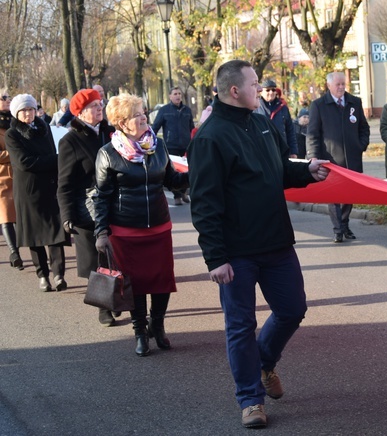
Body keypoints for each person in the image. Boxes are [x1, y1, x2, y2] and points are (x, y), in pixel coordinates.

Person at [188, 59, 330, 429]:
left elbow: (280, 169)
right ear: (235, 91)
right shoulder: (209, 137)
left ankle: (264, 361)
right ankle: (250, 399)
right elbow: (205, 204)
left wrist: (307, 171)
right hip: (236, 253)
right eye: (254, 83)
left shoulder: (262, 122)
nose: (261, 88)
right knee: (240, 325)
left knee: (293, 309)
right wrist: (215, 258)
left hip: (277, 243)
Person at [93, 94, 189, 356]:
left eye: (143, 112)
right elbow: (101, 197)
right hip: (126, 231)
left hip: (159, 227)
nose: (144, 118)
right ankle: (140, 331)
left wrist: (197, 174)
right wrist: (101, 232)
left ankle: (157, 326)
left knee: (161, 281)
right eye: (137, 115)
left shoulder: (158, 146)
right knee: (135, 284)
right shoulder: (108, 154)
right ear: (122, 123)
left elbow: (172, 181)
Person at [57, 89, 116, 326]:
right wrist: (67, 216)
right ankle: (103, 308)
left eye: (100, 104)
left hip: (114, 203)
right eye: (93, 106)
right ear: (80, 112)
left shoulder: (110, 132)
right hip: (87, 209)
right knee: (96, 261)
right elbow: (65, 183)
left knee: (117, 257)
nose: (99, 108)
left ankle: (119, 298)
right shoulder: (70, 140)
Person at [6, 94, 68, 291]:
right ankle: (43, 275)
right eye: (24, 110)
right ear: (17, 113)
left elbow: (51, 151)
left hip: (50, 186)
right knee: (35, 235)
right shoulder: (12, 134)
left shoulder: (44, 128)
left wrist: (54, 161)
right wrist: (55, 160)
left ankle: (59, 274)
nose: (28, 113)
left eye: (31, 109)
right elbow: (24, 162)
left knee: (56, 232)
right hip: (28, 190)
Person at [307, 71, 370, 243]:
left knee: (349, 195)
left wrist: (360, 145)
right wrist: (313, 155)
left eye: (344, 84)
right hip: (330, 160)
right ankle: (338, 229)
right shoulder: (318, 105)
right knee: (334, 195)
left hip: (352, 159)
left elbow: (364, 128)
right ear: (329, 86)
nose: (342, 87)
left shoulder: (354, 102)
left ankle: (345, 224)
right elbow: (312, 134)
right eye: (338, 84)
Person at [152, 86, 193, 205]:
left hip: (186, 146)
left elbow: (191, 128)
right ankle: (177, 195)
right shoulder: (164, 110)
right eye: (175, 94)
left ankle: (184, 192)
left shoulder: (187, 110)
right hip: (171, 145)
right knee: (174, 172)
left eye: (179, 93)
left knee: (186, 169)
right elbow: (155, 127)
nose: (178, 96)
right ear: (170, 96)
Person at [0, 93, 23, 269]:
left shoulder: (18, 122)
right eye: (2, 98)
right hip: (3, 176)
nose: (7, 100)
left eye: (8, 98)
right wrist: (13, 154)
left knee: (20, 214)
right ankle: (14, 251)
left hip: (21, 174)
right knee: (6, 215)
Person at [256, 80, 298, 158]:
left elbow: (290, 131)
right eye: (268, 90)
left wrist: (293, 151)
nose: (271, 92)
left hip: (281, 150)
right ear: (261, 92)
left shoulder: (283, 108)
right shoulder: (255, 107)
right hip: (262, 151)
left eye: (273, 90)